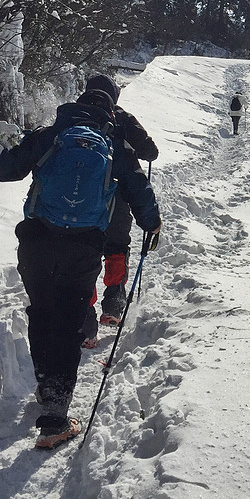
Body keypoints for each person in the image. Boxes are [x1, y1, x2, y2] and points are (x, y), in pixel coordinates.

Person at [0, 88, 161, 450]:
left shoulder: (50, 135)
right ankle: (55, 418)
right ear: (109, 111)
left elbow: (4, 171)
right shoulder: (113, 145)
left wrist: (21, 147)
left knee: (42, 314)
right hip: (83, 245)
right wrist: (153, 225)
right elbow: (139, 189)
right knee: (69, 321)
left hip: (37, 238)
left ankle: (47, 384)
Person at [82, 74, 158, 331]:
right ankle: (114, 304)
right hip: (117, 200)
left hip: (79, 200)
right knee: (116, 246)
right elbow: (150, 151)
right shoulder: (122, 118)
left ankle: (85, 317)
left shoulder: (74, 118)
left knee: (84, 253)